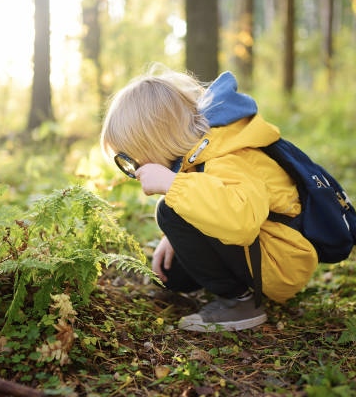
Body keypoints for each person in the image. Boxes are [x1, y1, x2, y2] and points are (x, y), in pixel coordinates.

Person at [100, 65, 318, 332]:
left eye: (131, 158)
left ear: (156, 141)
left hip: (280, 261)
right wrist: (174, 236)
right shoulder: (198, 152)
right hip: (262, 250)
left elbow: (242, 220)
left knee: (168, 211)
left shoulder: (226, 154)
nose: (133, 168)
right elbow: (211, 196)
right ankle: (226, 287)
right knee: (173, 275)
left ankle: (239, 303)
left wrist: (172, 186)